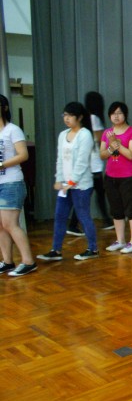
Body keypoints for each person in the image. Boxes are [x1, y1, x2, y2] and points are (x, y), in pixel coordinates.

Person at [37, 102, 99, 263]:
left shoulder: (85, 134)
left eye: (70, 115)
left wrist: (72, 181)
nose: (66, 118)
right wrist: (59, 179)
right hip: (65, 185)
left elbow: (82, 162)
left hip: (81, 185)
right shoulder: (63, 134)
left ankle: (93, 248)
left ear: (79, 117)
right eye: (65, 115)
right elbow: (60, 159)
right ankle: (55, 250)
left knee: (83, 215)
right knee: (59, 216)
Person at [0, 95, 37, 276]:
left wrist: (1, 165)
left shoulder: (13, 130)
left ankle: (28, 261)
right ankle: (7, 261)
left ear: (4, 108)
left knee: (10, 224)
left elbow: (23, 155)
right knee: (1, 225)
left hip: (11, 183)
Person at [67, 91, 113, 235]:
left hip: (87, 162)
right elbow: (100, 140)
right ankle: (74, 224)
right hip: (93, 163)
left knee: (96, 192)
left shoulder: (85, 118)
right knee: (91, 193)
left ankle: (106, 220)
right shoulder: (94, 118)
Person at [101, 102, 132, 254]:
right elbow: (102, 155)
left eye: (119, 113)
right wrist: (111, 147)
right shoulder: (107, 133)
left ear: (125, 114)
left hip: (129, 177)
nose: (116, 116)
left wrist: (115, 143)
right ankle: (120, 240)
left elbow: (131, 154)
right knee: (116, 210)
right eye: (113, 113)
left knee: (131, 209)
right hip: (111, 176)